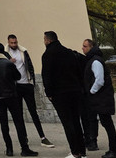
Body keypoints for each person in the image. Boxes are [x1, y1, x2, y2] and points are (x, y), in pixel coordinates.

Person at [0, 42, 39, 157]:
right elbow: (18, 76)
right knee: (18, 121)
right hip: (12, 95)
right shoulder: (8, 63)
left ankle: (9, 148)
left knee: (4, 123)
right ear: (3, 52)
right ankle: (24, 147)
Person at [41, 30, 86, 158]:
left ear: (48, 40)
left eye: (44, 40)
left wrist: (49, 93)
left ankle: (75, 152)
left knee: (67, 123)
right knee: (76, 121)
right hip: (75, 91)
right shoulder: (69, 53)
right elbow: (78, 71)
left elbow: (47, 76)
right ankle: (82, 151)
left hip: (60, 93)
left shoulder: (48, 55)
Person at [6, 34, 54, 148]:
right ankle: (24, 138)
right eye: (12, 43)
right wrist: (8, 62)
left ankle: (43, 137)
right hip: (15, 86)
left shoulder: (23, 51)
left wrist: (32, 81)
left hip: (26, 84)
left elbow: (30, 66)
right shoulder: (5, 54)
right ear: (8, 43)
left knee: (33, 112)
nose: (14, 45)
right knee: (19, 114)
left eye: (15, 42)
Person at [81, 39, 116, 158]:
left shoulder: (95, 61)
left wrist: (91, 91)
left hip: (102, 98)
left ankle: (114, 150)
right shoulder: (93, 60)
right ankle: (115, 149)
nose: (82, 48)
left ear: (91, 47)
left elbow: (99, 80)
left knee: (107, 123)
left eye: (85, 46)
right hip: (101, 98)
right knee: (106, 123)